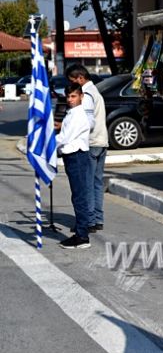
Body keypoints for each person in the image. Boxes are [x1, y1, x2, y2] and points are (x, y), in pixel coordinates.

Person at [66, 65, 108, 232]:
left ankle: (89, 221)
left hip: (90, 143)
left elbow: (86, 122)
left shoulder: (87, 94)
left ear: (80, 78)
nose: (72, 86)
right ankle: (97, 219)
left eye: (73, 81)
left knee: (86, 185)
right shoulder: (96, 91)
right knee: (96, 183)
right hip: (101, 141)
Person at [57, 82, 92, 249]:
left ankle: (82, 236)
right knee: (77, 195)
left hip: (77, 156)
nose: (70, 99)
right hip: (72, 156)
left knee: (79, 196)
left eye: (74, 96)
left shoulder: (78, 115)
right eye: (68, 96)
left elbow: (65, 138)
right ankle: (80, 232)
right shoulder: (72, 113)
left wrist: (45, 143)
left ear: (81, 96)